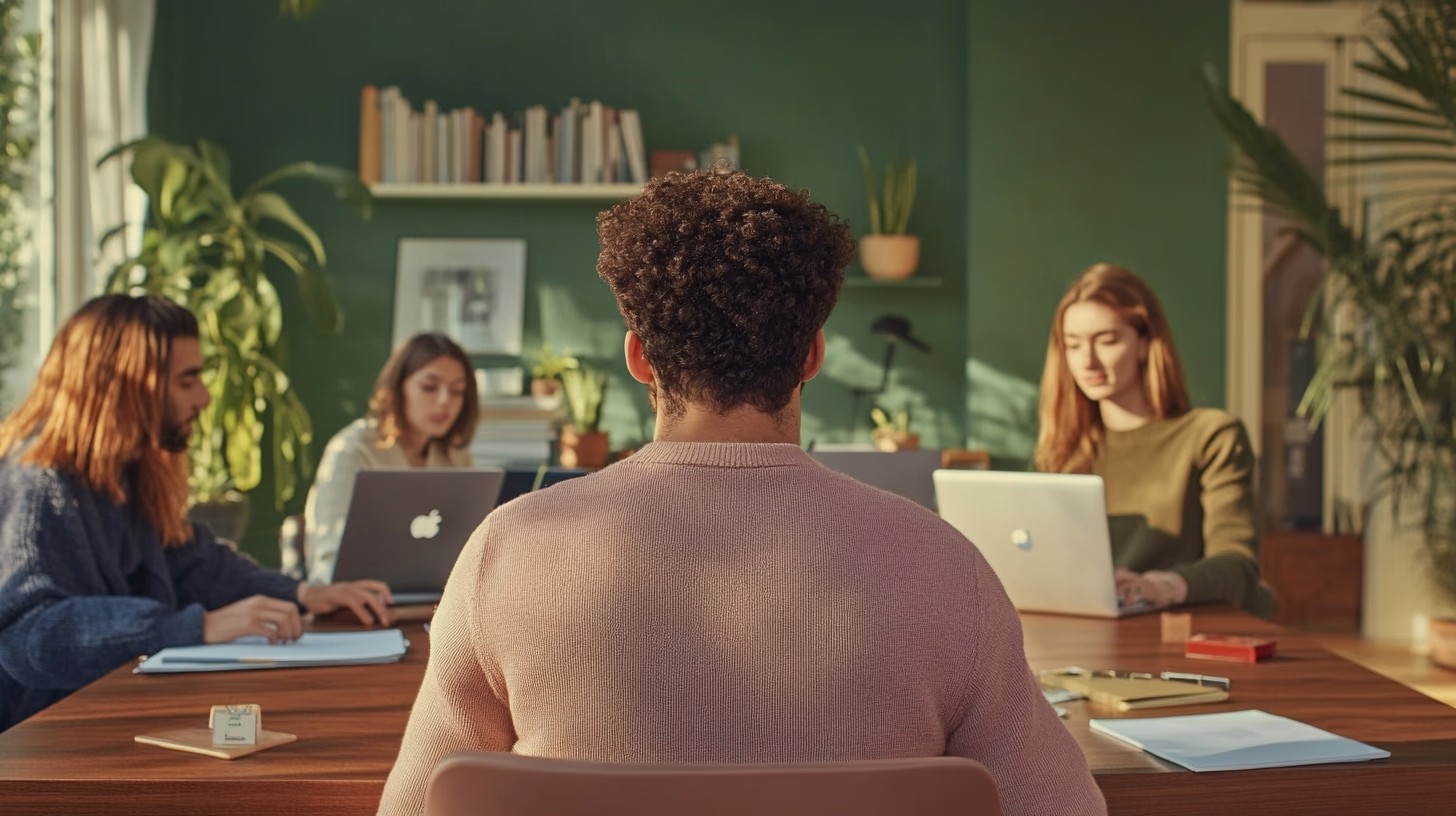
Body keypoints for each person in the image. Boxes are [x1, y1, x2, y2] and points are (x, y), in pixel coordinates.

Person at [377, 170, 1105, 816]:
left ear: (638, 355)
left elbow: (418, 804)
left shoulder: (507, 553)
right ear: (813, 353)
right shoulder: (946, 568)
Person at [0, 294, 395, 733]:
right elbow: (29, 637)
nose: (205, 398)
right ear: (127, 385)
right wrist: (196, 626)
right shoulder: (37, 485)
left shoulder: (127, 473)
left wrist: (302, 594)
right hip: (40, 748)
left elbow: (193, 563)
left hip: (107, 716)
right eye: (187, 381)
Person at [1034, 263, 1275, 617]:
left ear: (1144, 343)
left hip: (1188, 629)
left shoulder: (1211, 436)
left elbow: (1238, 567)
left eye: (1107, 340)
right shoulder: (1064, 449)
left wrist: (1163, 586)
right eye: (1073, 345)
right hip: (1099, 629)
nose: (1088, 361)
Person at [301, 333, 478, 584]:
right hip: (362, 602)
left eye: (457, 391)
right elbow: (327, 559)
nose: (444, 401)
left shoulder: (457, 458)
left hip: (435, 600)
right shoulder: (351, 450)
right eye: (429, 387)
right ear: (398, 388)